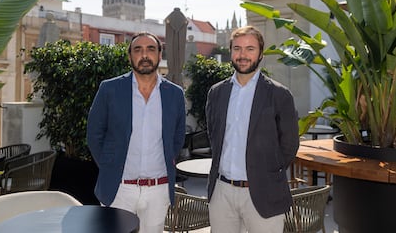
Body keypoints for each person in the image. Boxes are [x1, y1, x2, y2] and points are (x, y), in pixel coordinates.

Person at [87, 31, 186, 232]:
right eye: (138, 50)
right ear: (130, 55)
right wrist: (109, 166)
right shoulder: (110, 89)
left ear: (160, 54)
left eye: (151, 49)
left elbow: (177, 137)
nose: (144, 55)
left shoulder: (175, 94)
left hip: (158, 191)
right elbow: (94, 134)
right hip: (119, 189)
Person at [206, 25, 300, 233]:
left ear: (260, 54)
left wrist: (266, 173)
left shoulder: (279, 95)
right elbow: (214, 135)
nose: (243, 55)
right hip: (222, 192)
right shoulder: (216, 93)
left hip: (264, 191)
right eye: (237, 48)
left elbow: (290, 145)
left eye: (250, 49)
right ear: (230, 52)